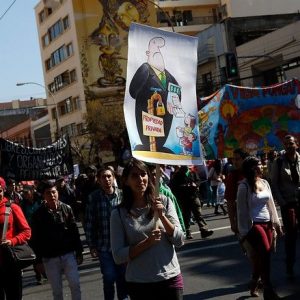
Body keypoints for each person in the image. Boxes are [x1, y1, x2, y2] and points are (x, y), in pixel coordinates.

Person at [110, 158, 185, 299]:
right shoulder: (118, 214)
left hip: (170, 279)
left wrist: (162, 216)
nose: (140, 179)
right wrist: (147, 243)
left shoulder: (164, 201)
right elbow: (118, 256)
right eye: (134, 175)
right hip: (140, 284)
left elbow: (180, 239)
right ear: (125, 180)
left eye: (143, 174)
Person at [237, 156, 282, 299]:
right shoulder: (244, 186)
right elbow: (241, 211)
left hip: (267, 223)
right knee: (265, 253)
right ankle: (268, 289)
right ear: (251, 168)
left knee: (260, 258)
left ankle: (254, 282)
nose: (262, 166)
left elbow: (271, 205)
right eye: (259, 165)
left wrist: (276, 224)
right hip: (254, 225)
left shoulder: (264, 182)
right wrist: (244, 233)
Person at [31, 180, 83, 300]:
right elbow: (36, 239)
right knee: (57, 291)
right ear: (44, 195)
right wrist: (38, 261)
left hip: (68, 254)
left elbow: (74, 232)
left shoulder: (67, 209)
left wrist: (79, 251)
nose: (52, 195)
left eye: (54, 192)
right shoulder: (38, 215)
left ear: (57, 193)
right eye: (48, 193)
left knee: (75, 284)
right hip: (50, 258)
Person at [85, 167, 128, 300]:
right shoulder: (94, 198)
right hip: (104, 247)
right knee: (109, 277)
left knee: (123, 278)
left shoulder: (122, 195)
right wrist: (91, 245)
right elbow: (89, 222)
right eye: (103, 177)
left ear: (114, 178)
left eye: (109, 176)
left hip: (122, 246)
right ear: (99, 180)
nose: (107, 179)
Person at [270, 134, 300, 278]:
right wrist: (282, 202)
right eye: (286, 144)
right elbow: (274, 183)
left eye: (291, 143)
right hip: (288, 203)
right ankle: (290, 265)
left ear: (296, 144)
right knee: (291, 236)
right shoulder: (279, 162)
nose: (289, 146)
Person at [0, 176, 31, 300]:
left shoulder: (12, 207)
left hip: (10, 262)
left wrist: (12, 241)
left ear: (3, 190)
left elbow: (27, 231)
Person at [170, 165, 213, 240]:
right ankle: (187, 232)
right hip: (184, 198)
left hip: (194, 196)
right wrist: (184, 186)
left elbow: (198, 181)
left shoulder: (192, 172)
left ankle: (203, 230)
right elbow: (173, 187)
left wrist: (195, 184)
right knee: (186, 215)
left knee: (198, 214)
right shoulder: (177, 175)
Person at [20, 185, 47, 285]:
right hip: (31, 233)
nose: (25, 194)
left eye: (27, 192)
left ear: (32, 191)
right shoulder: (23, 205)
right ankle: (38, 276)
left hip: (42, 231)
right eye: (24, 193)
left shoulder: (40, 201)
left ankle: (46, 272)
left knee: (44, 253)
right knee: (34, 256)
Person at [224, 148, 249, 234]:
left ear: (245, 159)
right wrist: (233, 223)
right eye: (233, 159)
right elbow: (230, 201)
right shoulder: (232, 176)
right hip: (242, 219)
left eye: (237, 159)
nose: (234, 162)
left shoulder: (254, 172)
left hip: (259, 217)